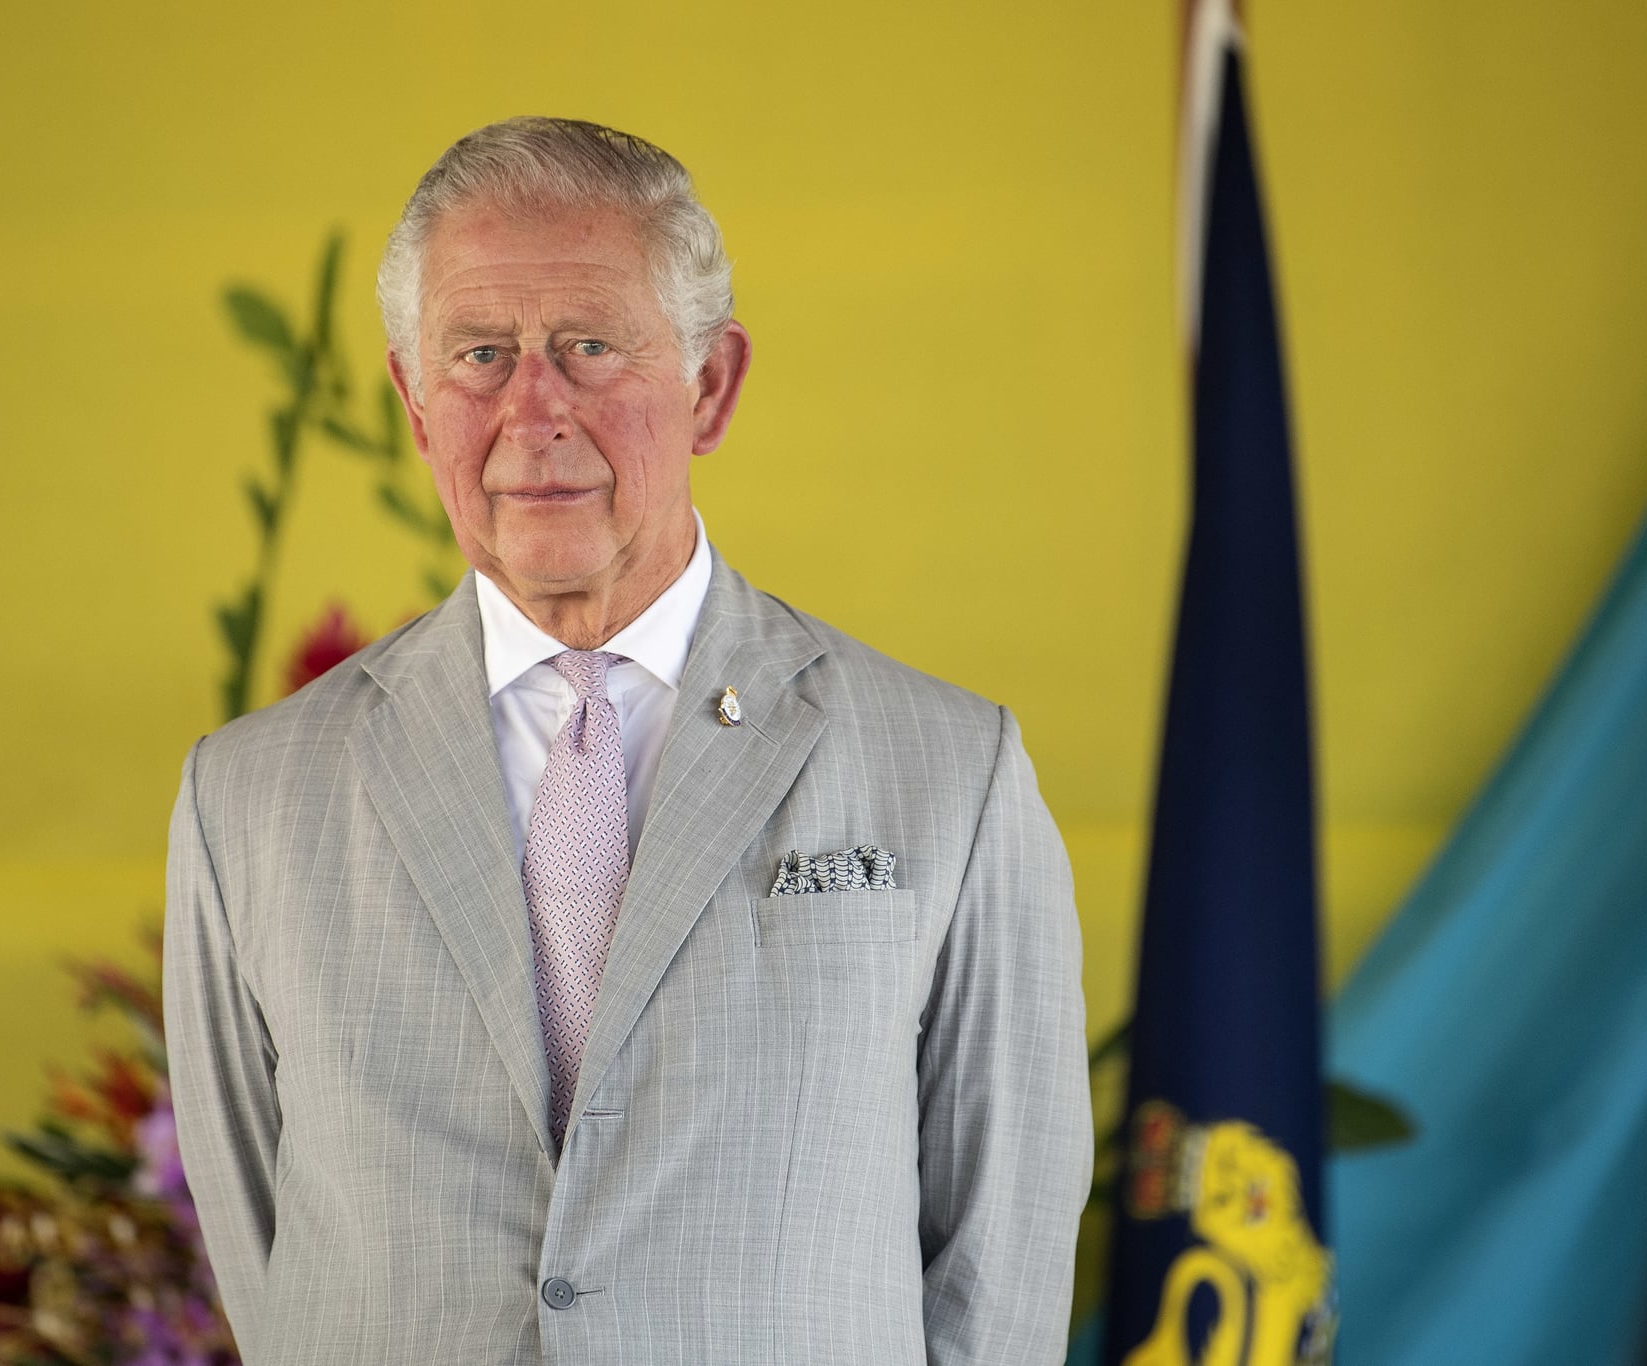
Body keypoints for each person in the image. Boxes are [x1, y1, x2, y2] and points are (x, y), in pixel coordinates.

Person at [164, 116, 1091, 1365]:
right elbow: (265, 1264)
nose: (530, 408)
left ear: (710, 384)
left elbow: (1005, 1255)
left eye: (590, 348)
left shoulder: (951, 770)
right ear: (410, 396)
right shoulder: (247, 798)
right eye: (478, 355)